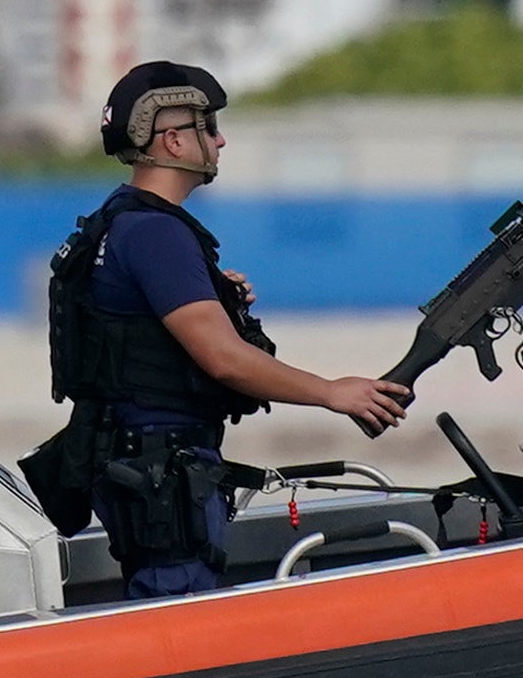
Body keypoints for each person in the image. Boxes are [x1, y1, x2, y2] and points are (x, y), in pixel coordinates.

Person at [36, 59, 407, 596]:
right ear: (171, 142)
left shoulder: (120, 220)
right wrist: (332, 392)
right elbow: (223, 358)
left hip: (140, 464)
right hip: (163, 480)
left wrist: (213, 296)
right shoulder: (156, 234)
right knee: (178, 622)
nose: (221, 139)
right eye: (206, 126)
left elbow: (136, 329)